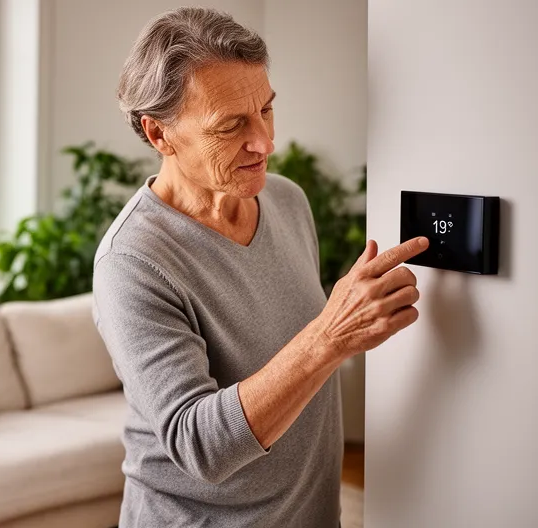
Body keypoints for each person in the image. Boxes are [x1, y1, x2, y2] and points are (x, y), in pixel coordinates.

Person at [92, 7, 428, 527]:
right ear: (159, 135)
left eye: (266, 111)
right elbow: (200, 445)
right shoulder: (132, 262)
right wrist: (330, 336)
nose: (265, 144)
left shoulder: (288, 201)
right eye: (231, 126)